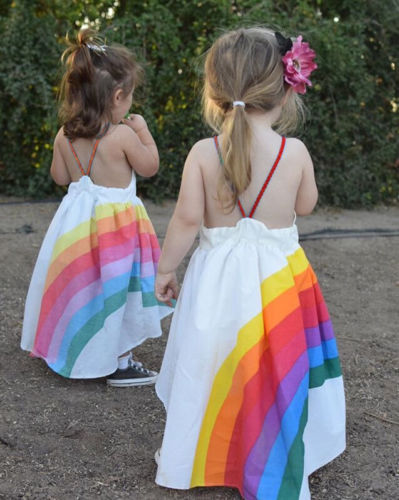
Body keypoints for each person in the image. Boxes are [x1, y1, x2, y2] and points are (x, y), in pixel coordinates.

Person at [154, 27, 345, 499]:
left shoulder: (202, 153)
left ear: (216, 92)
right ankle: (271, 456)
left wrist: (164, 269)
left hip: (215, 286)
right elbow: (306, 205)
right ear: (285, 87)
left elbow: (185, 219)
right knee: (274, 371)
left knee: (210, 364)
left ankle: (196, 455)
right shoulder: (294, 152)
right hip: (279, 287)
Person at [21, 29, 172, 387]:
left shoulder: (64, 134)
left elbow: (60, 177)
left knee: (81, 289)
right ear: (117, 96)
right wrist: (145, 132)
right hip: (116, 233)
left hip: (74, 232)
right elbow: (150, 167)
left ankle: (68, 345)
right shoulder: (121, 136)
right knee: (117, 291)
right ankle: (118, 360)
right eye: (130, 96)